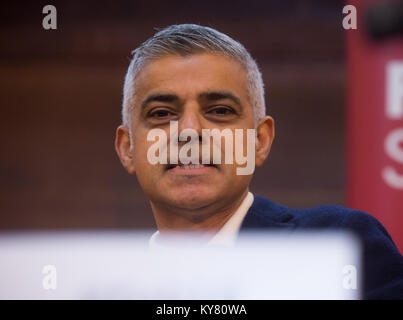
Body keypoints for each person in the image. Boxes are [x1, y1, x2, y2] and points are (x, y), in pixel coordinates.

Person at [114, 24, 403, 299]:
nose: (190, 131)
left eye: (219, 110)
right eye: (162, 114)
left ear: (260, 141)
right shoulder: (96, 285)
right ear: (128, 149)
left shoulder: (341, 246)